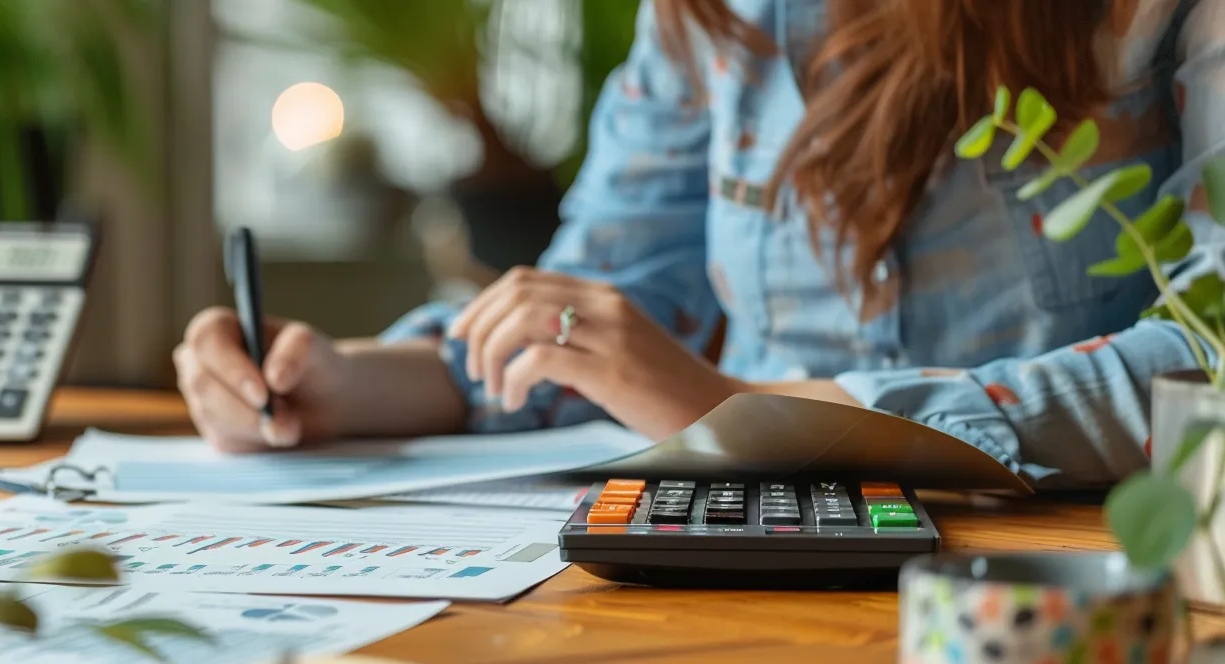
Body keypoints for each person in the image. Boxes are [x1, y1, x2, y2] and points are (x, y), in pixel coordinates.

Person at [174, 0, 1224, 489]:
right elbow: (598, 307)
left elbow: (1204, 355)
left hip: (1047, 573)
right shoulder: (707, 14)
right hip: (739, 542)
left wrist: (744, 416)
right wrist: (345, 386)